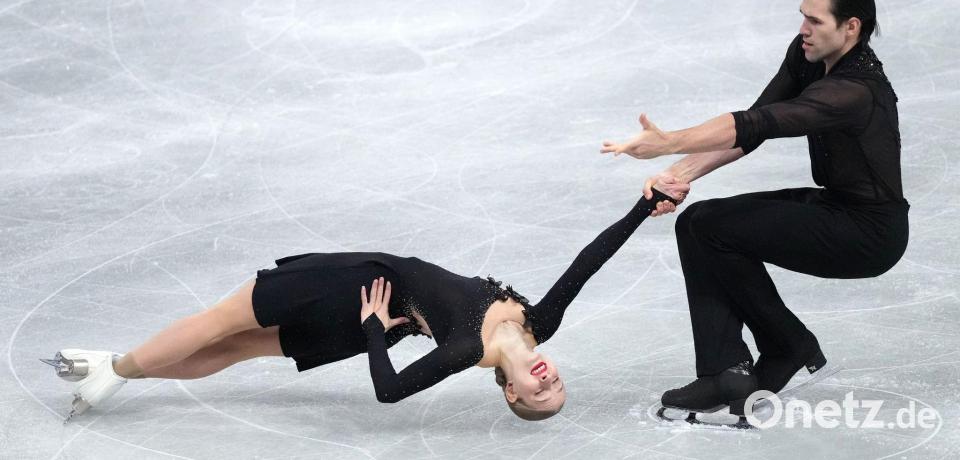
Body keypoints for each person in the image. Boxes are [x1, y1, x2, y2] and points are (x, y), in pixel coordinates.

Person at [45, 188, 680, 422]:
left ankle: (118, 370)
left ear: (510, 393)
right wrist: (639, 208)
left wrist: (376, 328)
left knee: (222, 324)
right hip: (373, 318)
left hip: (361, 294)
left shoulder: (467, 350)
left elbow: (388, 393)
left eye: (539, 398)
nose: (549, 384)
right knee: (234, 349)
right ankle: (113, 366)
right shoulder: (539, 323)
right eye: (557, 389)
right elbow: (589, 263)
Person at [601, 0, 909, 420]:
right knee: (699, 224)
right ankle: (727, 371)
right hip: (837, 207)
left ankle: (784, 344)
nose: (803, 30)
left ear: (851, 28)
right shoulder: (808, 55)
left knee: (713, 229)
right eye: (802, 15)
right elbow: (754, 124)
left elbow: (754, 124)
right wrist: (679, 174)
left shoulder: (855, 92)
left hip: (869, 233)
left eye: (816, 21)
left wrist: (669, 142)